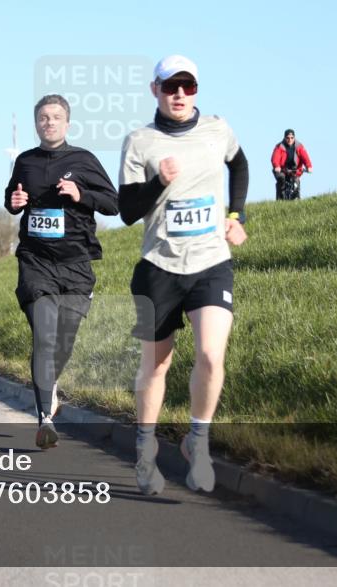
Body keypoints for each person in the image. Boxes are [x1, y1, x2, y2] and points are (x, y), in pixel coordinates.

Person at [118, 55, 249, 494]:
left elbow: (240, 163)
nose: (179, 95)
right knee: (156, 367)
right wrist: (159, 182)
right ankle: (145, 450)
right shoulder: (140, 142)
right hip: (159, 266)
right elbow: (127, 212)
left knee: (212, 355)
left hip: (210, 261)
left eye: (187, 87)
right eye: (170, 86)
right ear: (154, 89)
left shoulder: (217, 129)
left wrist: (237, 215)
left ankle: (198, 441)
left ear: (196, 90)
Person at [5, 94, 119, 449]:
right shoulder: (25, 161)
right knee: (44, 332)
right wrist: (14, 202)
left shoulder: (83, 160)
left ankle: (49, 385)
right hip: (36, 260)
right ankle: (45, 419)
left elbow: (113, 204)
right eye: (42, 117)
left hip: (75, 263)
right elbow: (11, 196)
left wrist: (80, 193)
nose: (49, 122)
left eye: (55, 117)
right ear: (36, 123)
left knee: (64, 341)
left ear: (67, 123)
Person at [271, 129, 313, 200]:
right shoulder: (279, 147)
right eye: (287, 138)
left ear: (294, 138)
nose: (290, 140)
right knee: (281, 178)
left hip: (294, 170)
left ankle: (296, 198)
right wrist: (277, 166)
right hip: (282, 170)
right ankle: (280, 199)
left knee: (296, 181)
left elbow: (305, 157)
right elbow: (275, 158)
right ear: (284, 138)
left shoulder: (299, 146)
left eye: (292, 138)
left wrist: (308, 166)